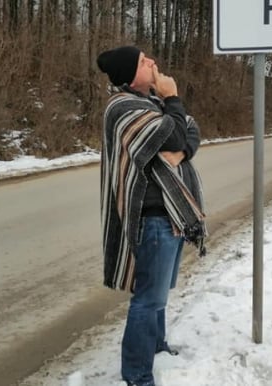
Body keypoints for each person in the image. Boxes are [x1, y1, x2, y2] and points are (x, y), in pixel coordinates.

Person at [97, 46, 207, 386]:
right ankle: (137, 376)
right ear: (130, 74)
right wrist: (173, 98)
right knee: (148, 299)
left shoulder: (154, 106)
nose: (153, 63)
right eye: (145, 61)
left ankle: (157, 346)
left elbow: (191, 130)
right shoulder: (123, 107)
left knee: (159, 293)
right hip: (152, 217)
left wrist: (182, 147)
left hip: (172, 215)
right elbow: (175, 129)